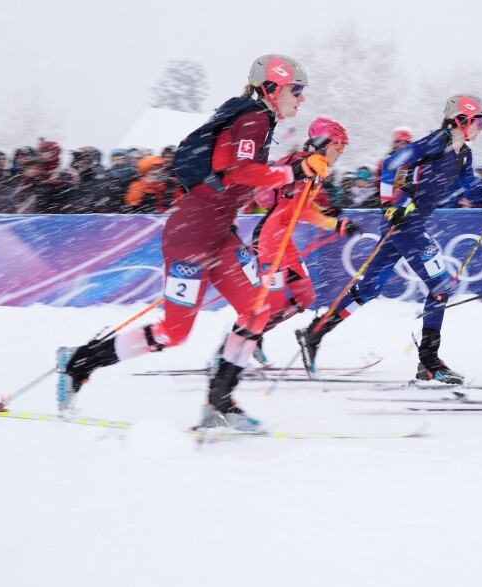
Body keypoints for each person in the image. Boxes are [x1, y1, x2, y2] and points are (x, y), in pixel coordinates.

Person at [55, 54, 310, 433]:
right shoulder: (255, 117)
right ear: (272, 87)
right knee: (174, 332)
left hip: (219, 234)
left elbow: (244, 177)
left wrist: (294, 172)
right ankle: (79, 361)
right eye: (297, 89)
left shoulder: (259, 120)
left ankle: (220, 403)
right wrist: (292, 171)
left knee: (258, 310)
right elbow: (241, 171)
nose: (301, 98)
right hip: (191, 237)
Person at [294, 94, 482, 384]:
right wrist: (390, 205)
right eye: (479, 120)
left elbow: (473, 192)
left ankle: (314, 333)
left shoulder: (464, 154)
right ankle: (429, 362)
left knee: (369, 289)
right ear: (462, 120)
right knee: (440, 286)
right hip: (405, 221)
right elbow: (392, 163)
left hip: (411, 223)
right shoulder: (435, 142)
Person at [214, 117, 358, 379]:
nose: (341, 152)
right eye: (340, 146)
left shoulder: (316, 167)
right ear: (325, 143)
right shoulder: (305, 163)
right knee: (267, 304)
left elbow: (302, 205)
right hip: (270, 243)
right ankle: (228, 349)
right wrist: (334, 224)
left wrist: (330, 214)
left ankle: (253, 336)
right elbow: (299, 209)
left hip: (284, 242)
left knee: (305, 297)